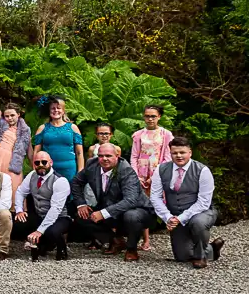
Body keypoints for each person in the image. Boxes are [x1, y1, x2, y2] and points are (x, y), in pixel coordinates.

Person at [149, 137, 225, 269]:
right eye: (175, 153)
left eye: (182, 152)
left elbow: (203, 202)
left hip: (203, 212)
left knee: (198, 223)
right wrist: (168, 217)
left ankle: (201, 256)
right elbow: (155, 197)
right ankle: (212, 249)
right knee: (182, 257)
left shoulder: (203, 171)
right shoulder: (161, 169)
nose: (178, 156)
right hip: (175, 214)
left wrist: (180, 218)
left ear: (190, 152)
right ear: (170, 153)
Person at [71, 145, 155, 261]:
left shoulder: (126, 171)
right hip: (110, 207)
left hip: (138, 210)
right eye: (101, 156)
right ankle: (116, 240)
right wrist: (81, 204)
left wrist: (104, 213)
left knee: (131, 216)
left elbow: (131, 200)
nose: (104, 159)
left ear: (117, 156)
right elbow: (76, 182)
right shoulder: (92, 165)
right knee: (82, 216)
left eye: (108, 156)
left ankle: (131, 249)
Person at [15, 151, 72, 261]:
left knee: (53, 231)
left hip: (60, 218)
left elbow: (55, 209)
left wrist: (39, 231)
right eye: (37, 162)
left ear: (51, 163)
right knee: (18, 221)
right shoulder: (32, 175)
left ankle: (61, 248)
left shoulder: (60, 181)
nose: (40, 165)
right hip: (40, 215)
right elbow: (20, 192)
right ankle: (43, 244)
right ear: (33, 164)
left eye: (44, 162)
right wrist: (19, 210)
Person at [131, 104, 174, 251]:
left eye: (153, 116)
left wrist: (155, 176)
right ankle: (146, 239)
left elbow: (167, 158)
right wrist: (136, 176)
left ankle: (176, 236)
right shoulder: (138, 135)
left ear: (159, 117)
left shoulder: (166, 134)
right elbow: (134, 156)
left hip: (158, 172)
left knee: (162, 203)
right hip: (141, 173)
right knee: (142, 205)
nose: (150, 119)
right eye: (147, 116)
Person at [0, 72, 32, 189]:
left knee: (14, 189)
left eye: (12, 115)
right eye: (7, 116)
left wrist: (35, 166)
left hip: (13, 163)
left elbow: (29, 151)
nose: (9, 118)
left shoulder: (25, 131)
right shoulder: (1, 123)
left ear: (18, 115)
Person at [32, 96, 84, 181]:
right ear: (49, 111)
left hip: (69, 170)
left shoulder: (73, 128)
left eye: (59, 108)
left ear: (63, 111)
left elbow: (79, 153)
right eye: (53, 108)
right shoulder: (42, 128)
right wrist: (35, 170)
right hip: (48, 169)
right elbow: (36, 152)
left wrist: (80, 172)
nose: (56, 110)